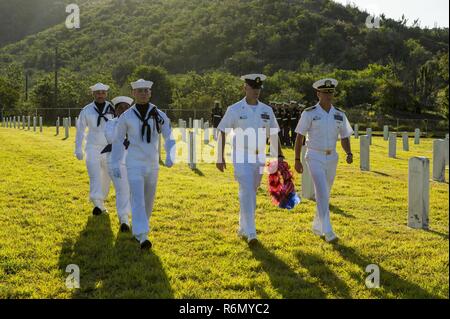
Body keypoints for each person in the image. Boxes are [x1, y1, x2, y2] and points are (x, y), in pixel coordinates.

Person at [216, 74, 284, 246]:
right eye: (253, 88)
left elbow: (273, 134)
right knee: (247, 189)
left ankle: (242, 227)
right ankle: (252, 232)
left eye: (258, 88)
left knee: (250, 192)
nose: (256, 91)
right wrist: (219, 155)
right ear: (245, 88)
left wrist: (279, 156)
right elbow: (222, 130)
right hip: (241, 155)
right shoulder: (235, 109)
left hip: (259, 156)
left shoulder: (266, 110)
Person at [111, 79, 176, 250]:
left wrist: (170, 154)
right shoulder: (126, 116)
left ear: (150, 93)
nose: (143, 93)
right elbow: (117, 141)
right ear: (133, 93)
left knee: (148, 199)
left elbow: (169, 135)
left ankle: (140, 229)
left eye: (146, 90)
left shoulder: (158, 114)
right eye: (139, 91)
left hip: (152, 163)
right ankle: (143, 235)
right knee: (137, 197)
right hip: (133, 162)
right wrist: (115, 162)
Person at [293, 78, 353, 243]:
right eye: (325, 92)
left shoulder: (339, 114)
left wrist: (349, 152)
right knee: (322, 192)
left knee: (325, 193)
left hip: (332, 156)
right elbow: (299, 136)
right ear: (318, 93)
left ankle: (317, 226)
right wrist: (297, 159)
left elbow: (345, 136)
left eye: (331, 92)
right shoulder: (310, 113)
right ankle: (328, 231)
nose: (328, 95)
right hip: (314, 156)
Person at [75, 83, 115, 215]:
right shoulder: (87, 110)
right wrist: (78, 148)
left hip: (109, 148)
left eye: (103, 92)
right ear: (93, 94)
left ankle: (100, 202)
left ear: (106, 94)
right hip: (92, 147)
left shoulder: (113, 108)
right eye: (98, 93)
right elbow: (80, 130)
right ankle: (97, 203)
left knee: (107, 177)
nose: (100, 95)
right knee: (94, 175)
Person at [103, 96, 134, 232]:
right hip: (116, 161)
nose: (123, 111)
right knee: (122, 190)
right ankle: (124, 220)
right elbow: (111, 139)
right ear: (115, 111)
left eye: (127, 108)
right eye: (120, 108)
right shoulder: (111, 123)